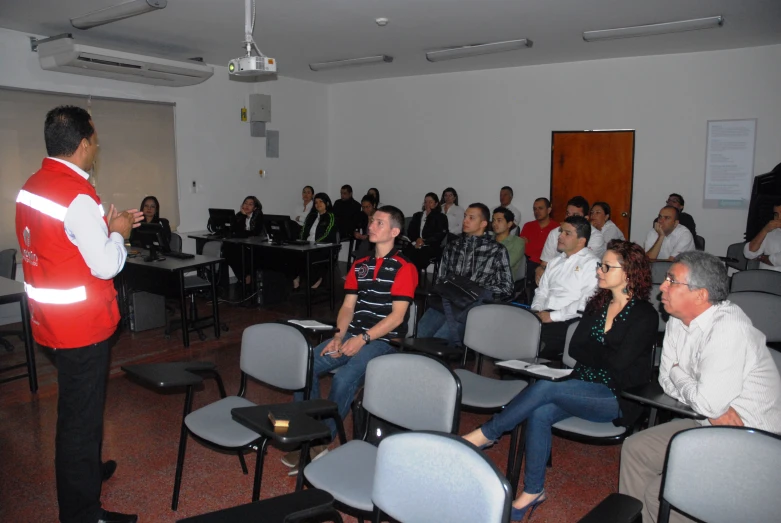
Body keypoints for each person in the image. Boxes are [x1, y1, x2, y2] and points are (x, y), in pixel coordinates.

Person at [464, 240, 657, 522]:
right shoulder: (598, 303)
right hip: (579, 385)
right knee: (540, 411)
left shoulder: (644, 315)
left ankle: (486, 434)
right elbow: (576, 349)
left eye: (606, 266)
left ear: (628, 273)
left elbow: (620, 364)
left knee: (543, 387)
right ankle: (533, 491)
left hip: (615, 396)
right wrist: (602, 352)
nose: (599, 270)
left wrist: (596, 352)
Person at [15, 106, 142, 523]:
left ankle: (84, 474)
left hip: (50, 322)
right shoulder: (76, 194)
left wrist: (104, 229)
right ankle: (82, 510)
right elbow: (106, 265)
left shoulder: (33, 186)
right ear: (84, 144)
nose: (97, 147)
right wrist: (120, 234)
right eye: (96, 141)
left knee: (76, 412)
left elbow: (62, 247)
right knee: (80, 422)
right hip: (81, 328)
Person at [619, 251, 781, 523]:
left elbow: (686, 385)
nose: (663, 287)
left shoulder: (729, 328)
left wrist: (680, 375)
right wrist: (703, 399)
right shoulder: (677, 320)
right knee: (637, 449)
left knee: (660, 494)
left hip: (756, 441)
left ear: (700, 295)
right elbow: (666, 381)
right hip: (707, 423)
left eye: (672, 281)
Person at [283, 206, 418, 470]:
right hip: (354, 335)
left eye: (379, 222)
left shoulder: (404, 268)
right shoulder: (360, 264)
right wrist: (339, 335)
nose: (371, 225)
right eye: (371, 221)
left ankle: (322, 439)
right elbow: (347, 307)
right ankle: (307, 431)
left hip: (384, 342)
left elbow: (398, 316)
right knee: (307, 363)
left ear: (394, 231)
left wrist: (364, 339)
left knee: (345, 377)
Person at [416, 203, 514, 343]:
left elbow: (507, 288)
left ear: (483, 223)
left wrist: (477, 292)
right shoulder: (453, 246)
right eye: (465, 216)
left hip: (471, 306)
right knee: (420, 334)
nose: (465, 221)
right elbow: (440, 279)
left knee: (440, 340)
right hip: (447, 301)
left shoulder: (496, 250)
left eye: (471, 218)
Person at [532, 216, 600, 359]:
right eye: (561, 231)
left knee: (532, 345)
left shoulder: (591, 264)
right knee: (513, 331)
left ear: (581, 241)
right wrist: (537, 311)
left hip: (570, 320)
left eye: (567, 233)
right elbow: (541, 291)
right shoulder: (554, 262)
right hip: (544, 315)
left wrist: (552, 316)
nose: (560, 236)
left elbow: (586, 302)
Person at [538, 196, 605, 283]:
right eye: (567, 214)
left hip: (581, 278)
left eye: (575, 215)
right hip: (555, 278)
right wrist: (541, 270)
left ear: (586, 218)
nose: (569, 218)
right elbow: (545, 263)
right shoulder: (555, 233)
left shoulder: (596, 237)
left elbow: (581, 265)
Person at [294, 192, 337, 289]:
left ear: (327, 203)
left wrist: (313, 244)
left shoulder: (330, 216)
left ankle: (317, 278)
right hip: (308, 245)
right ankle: (296, 276)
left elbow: (327, 234)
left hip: (323, 246)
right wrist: (301, 242)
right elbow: (303, 231)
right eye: (316, 202)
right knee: (294, 254)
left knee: (310, 255)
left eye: (321, 202)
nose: (318, 204)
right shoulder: (311, 216)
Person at [402, 192, 449, 272]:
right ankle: (407, 278)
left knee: (420, 255)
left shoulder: (441, 217)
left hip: (431, 245)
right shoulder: (417, 215)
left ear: (436, 204)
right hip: (415, 243)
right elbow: (410, 230)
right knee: (406, 253)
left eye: (430, 202)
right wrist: (416, 239)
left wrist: (424, 241)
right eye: (426, 202)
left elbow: (440, 234)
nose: (427, 204)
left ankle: (415, 279)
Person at [224, 196, 263, 286]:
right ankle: (243, 277)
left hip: (257, 245)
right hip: (243, 244)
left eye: (250, 204)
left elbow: (254, 232)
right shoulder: (239, 215)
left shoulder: (258, 215)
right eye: (245, 203)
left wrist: (244, 217)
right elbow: (235, 230)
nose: (247, 206)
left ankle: (246, 277)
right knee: (227, 250)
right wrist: (243, 216)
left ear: (255, 207)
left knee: (240, 252)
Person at [520, 197, 559, 287]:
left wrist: (529, 244)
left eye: (540, 208)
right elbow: (522, 248)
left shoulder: (557, 228)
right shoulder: (528, 226)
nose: (537, 211)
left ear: (549, 210)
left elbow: (553, 253)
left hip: (548, 266)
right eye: (535, 209)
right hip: (528, 263)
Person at [743, 201, 781, 271]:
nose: (779, 218)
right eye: (776, 214)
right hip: (765, 279)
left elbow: (778, 260)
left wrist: (763, 258)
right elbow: (749, 253)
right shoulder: (771, 231)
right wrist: (765, 230)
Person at [492, 207, 526, 281]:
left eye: (499, 220)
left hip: (503, 282)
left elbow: (505, 264)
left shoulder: (517, 242)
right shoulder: (488, 238)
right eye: (493, 220)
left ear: (509, 224)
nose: (494, 223)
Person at [352, 194, 377, 259]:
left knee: (366, 243)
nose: (366, 209)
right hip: (364, 241)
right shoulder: (361, 215)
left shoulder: (379, 216)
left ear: (373, 205)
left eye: (368, 207)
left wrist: (368, 237)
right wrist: (355, 233)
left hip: (375, 243)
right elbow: (353, 226)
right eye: (363, 207)